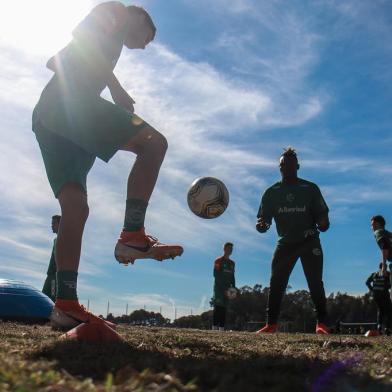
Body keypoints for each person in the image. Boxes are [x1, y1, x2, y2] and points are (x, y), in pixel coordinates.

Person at [32, 2, 183, 330]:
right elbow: (80, 41)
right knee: (154, 143)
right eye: (148, 38)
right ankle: (132, 233)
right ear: (138, 19)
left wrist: (100, 75)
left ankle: (66, 305)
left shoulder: (109, 43)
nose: (144, 46)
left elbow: (71, 54)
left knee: (75, 208)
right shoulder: (116, 10)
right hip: (68, 106)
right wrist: (115, 87)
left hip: (48, 117)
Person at [255, 147, 330, 334]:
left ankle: (321, 324)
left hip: (309, 241)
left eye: (288, 165)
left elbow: (323, 218)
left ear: (297, 166)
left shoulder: (310, 189)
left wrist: (323, 222)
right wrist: (262, 225)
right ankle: (271, 324)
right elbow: (263, 221)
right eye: (282, 166)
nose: (285, 169)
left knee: (315, 282)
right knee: (276, 282)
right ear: (279, 168)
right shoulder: (271, 193)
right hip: (285, 244)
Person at [212, 242, 236, 331]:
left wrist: (233, 288)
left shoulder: (232, 263)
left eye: (232, 249)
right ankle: (214, 327)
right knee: (218, 306)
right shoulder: (218, 261)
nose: (230, 250)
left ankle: (221, 328)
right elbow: (215, 275)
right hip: (219, 288)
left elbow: (232, 276)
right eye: (229, 248)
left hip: (228, 289)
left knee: (224, 307)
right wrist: (223, 289)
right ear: (224, 249)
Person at [366, 263, 392, 335]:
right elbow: (389, 285)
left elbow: (367, 282)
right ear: (385, 267)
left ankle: (379, 326)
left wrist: (372, 290)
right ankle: (388, 328)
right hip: (384, 294)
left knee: (380, 310)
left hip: (376, 295)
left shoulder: (374, 274)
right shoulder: (387, 274)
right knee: (389, 311)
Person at [42, 215, 61, 301]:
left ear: (60, 224)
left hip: (54, 276)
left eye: (54, 224)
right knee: (43, 298)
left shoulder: (62, 238)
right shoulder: (55, 239)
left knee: (52, 298)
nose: (52, 226)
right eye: (51, 224)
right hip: (50, 275)